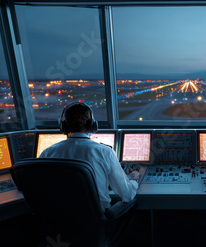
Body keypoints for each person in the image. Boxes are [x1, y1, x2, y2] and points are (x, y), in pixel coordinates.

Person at [39, 102, 139, 246]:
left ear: (63, 126)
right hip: (93, 226)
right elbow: (127, 195)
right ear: (93, 125)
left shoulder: (47, 152)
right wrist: (134, 180)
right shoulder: (104, 151)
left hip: (59, 226)